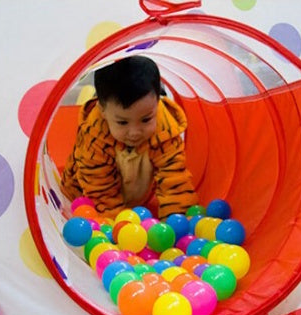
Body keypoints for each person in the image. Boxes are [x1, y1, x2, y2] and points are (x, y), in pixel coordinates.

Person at [60, 55, 198, 220]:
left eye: (146, 119)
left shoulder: (164, 130)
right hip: (83, 196)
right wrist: (116, 230)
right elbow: (99, 190)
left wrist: (177, 223)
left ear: (157, 103)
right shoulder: (95, 137)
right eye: (122, 122)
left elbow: (174, 180)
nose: (134, 132)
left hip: (136, 198)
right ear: (102, 110)